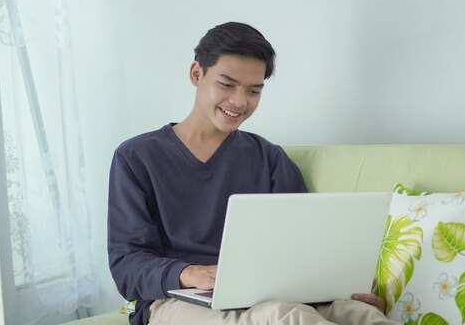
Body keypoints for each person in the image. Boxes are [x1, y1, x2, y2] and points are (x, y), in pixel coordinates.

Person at [107, 22, 399, 325]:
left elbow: (303, 245)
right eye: (226, 84)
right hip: (174, 301)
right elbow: (126, 264)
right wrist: (189, 272)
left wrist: (343, 288)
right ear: (196, 74)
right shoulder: (137, 157)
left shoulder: (269, 158)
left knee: (359, 314)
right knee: (284, 317)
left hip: (268, 294)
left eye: (253, 90)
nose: (239, 101)